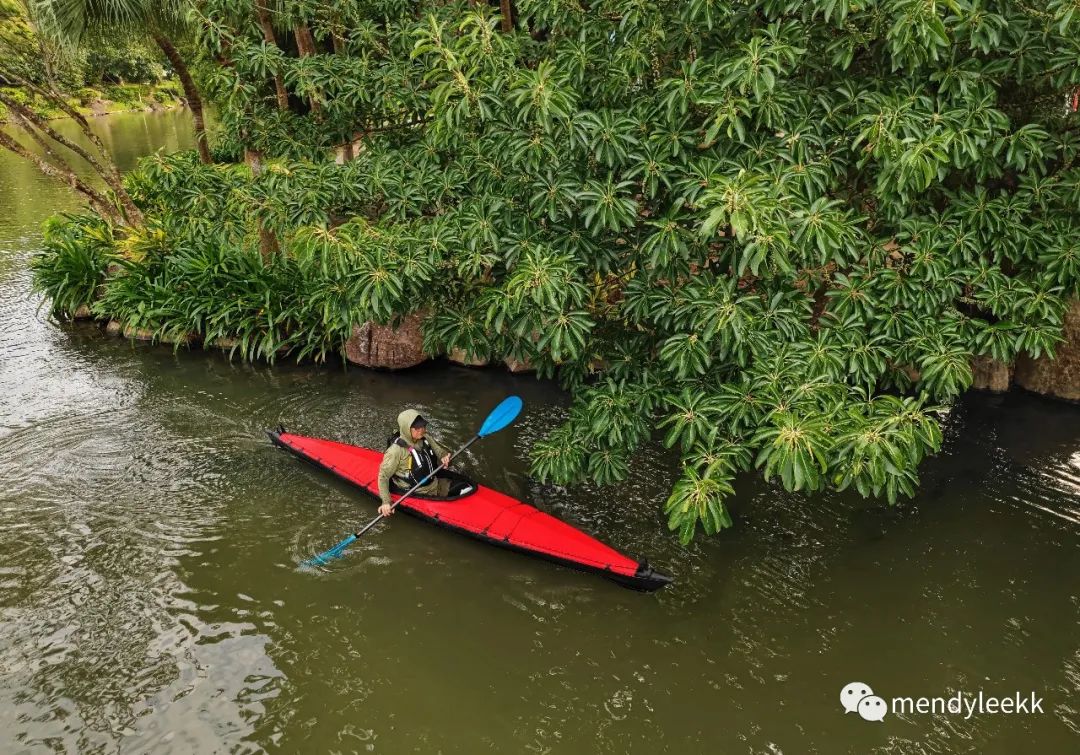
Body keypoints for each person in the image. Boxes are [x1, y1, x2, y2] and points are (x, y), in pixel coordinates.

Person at [377, 409, 452, 517]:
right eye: (417, 428)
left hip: (434, 483)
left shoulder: (425, 437)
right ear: (407, 429)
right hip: (418, 493)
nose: (421, 430)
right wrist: (386, 502)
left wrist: (444, 456)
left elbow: (440, 451)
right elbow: (383, 476)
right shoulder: (395, 451)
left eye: (423, 426)